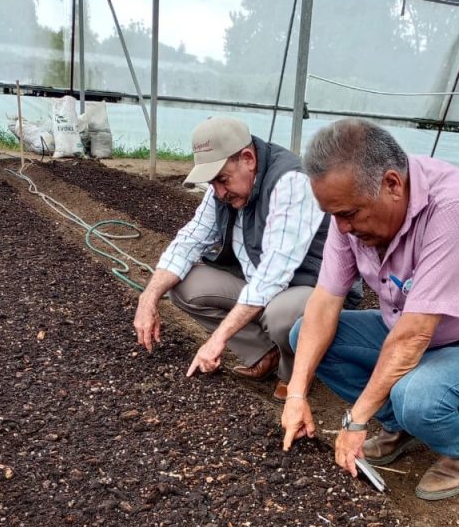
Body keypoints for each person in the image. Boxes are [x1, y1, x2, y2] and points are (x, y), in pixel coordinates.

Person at [282, 118, 459, 501]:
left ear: (392, 184)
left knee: (417, 397)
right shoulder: (348, 211)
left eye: (350, 214)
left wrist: (355, 420)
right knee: (305, 334)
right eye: (333, 215)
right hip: (408, 329)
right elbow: (324, 303)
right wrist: (297, 395)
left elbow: (415, 334)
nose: (342, 228)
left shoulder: (456, 208)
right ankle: (399, 426)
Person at [133, 116, 357, 401]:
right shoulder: (223, 191)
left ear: (248, 158)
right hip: (258, 282)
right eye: (213, 183)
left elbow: (273, 276)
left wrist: (218, 339)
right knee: (183, 284)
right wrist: (148, 297)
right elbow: (189, 240)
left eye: (222, 180)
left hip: (310, 288)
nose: (218, 191)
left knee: (282, 315)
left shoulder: (291, 182)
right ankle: (265, 353)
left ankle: (296, 372)